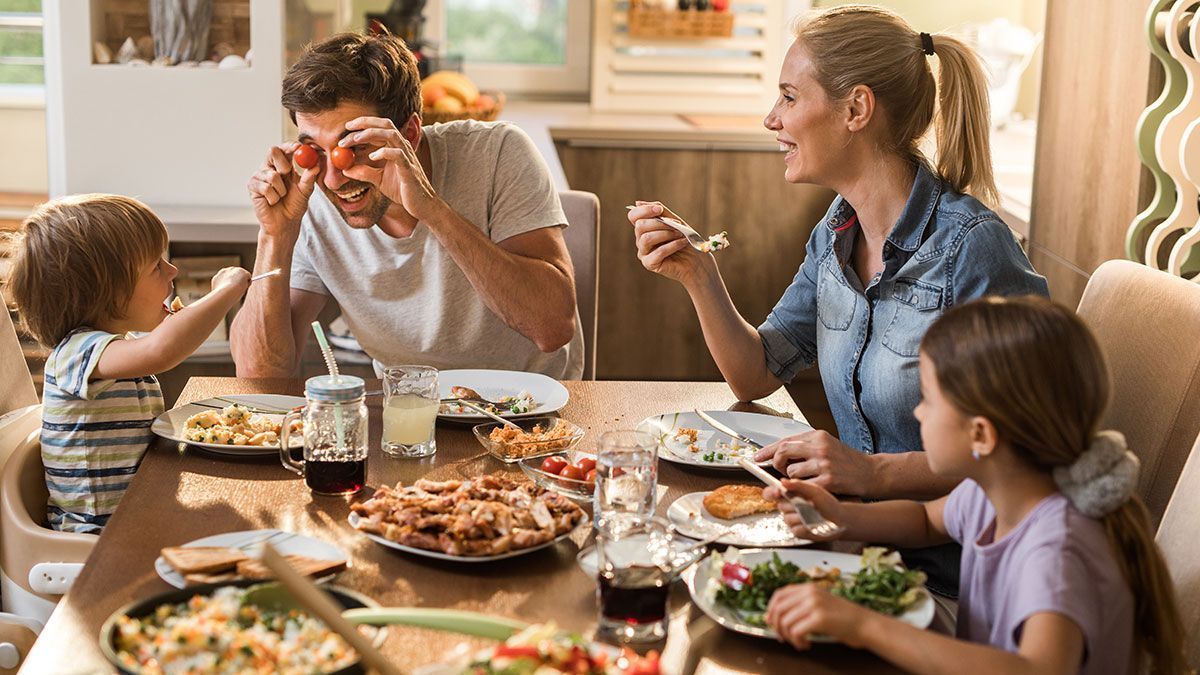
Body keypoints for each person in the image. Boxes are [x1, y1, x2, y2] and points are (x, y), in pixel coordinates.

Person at [626, 6, 1047, 593]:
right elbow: (756, 374)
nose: (771, 118)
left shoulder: (974, 251)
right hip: (853, 546)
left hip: (954, 580)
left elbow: (1027, 448)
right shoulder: (836, 233)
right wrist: (699, 273)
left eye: (790, 97)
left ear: (856, 109)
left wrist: (871, 472)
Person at [761, 296, 1186, 675]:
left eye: (928, 398)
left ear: (981, 435)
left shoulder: (1058, 547)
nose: (919, 412)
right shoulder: (999, 492)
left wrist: (865, 625)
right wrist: (839, 517)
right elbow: (925, 520)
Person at [230, 32, 582, 380]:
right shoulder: (308, 198)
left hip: (529, 413)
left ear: (410, 134)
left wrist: (432, 209)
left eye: (354, 146)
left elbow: (551, 329)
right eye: (313, 151)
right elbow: (260, 375)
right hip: (407, 412)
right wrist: (275, 236)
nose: (334, 179)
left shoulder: (498, 153)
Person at [6, 194, 250, 533]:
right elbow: (162, 351)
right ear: (107, 292)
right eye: (156, 267)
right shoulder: (78, 352)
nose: (173, 271)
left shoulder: (116, 347)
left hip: (139, 516)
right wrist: (225, 292)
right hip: (99, 536)